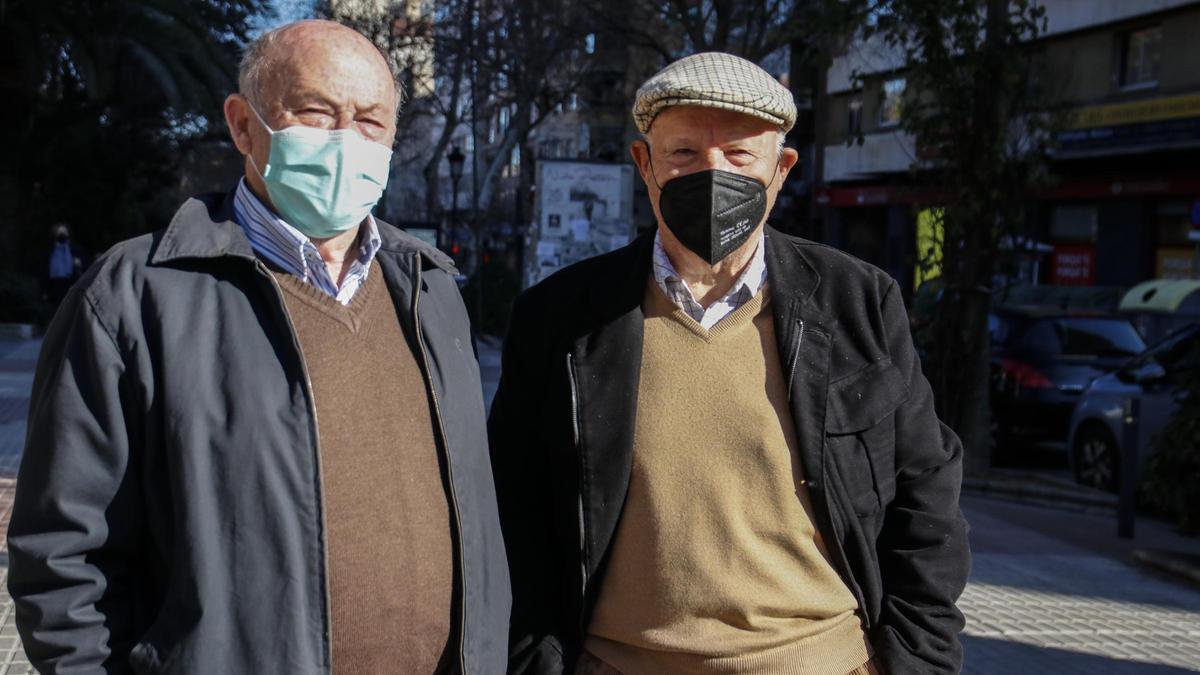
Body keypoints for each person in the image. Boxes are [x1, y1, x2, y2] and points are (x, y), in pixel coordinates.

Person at [8, 20, 509, 674]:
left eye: (369, 121)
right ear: (244, 125)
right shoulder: (135, 299)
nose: (343, 140)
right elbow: (63, 557)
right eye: (315, 112)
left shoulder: (431, 290)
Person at [489, 52, 969, 675]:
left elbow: (926, 495)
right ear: (645, 163)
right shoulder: (560, 318)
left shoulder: (860, 305)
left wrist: (916, 660)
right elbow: (518, 514)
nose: (712, 176)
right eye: (684, 154)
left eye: (741, 157)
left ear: (781, 170)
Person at [44, 223, 87, 312]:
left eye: (64, 232)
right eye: (59, 232)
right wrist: (44, 291)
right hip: (54, 284)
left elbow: (85, 263)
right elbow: (43, 270)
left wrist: (79, 263)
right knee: (56, 309)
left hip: (71, 282)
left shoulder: (75, 248)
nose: (62, 234)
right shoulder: (50, 250)